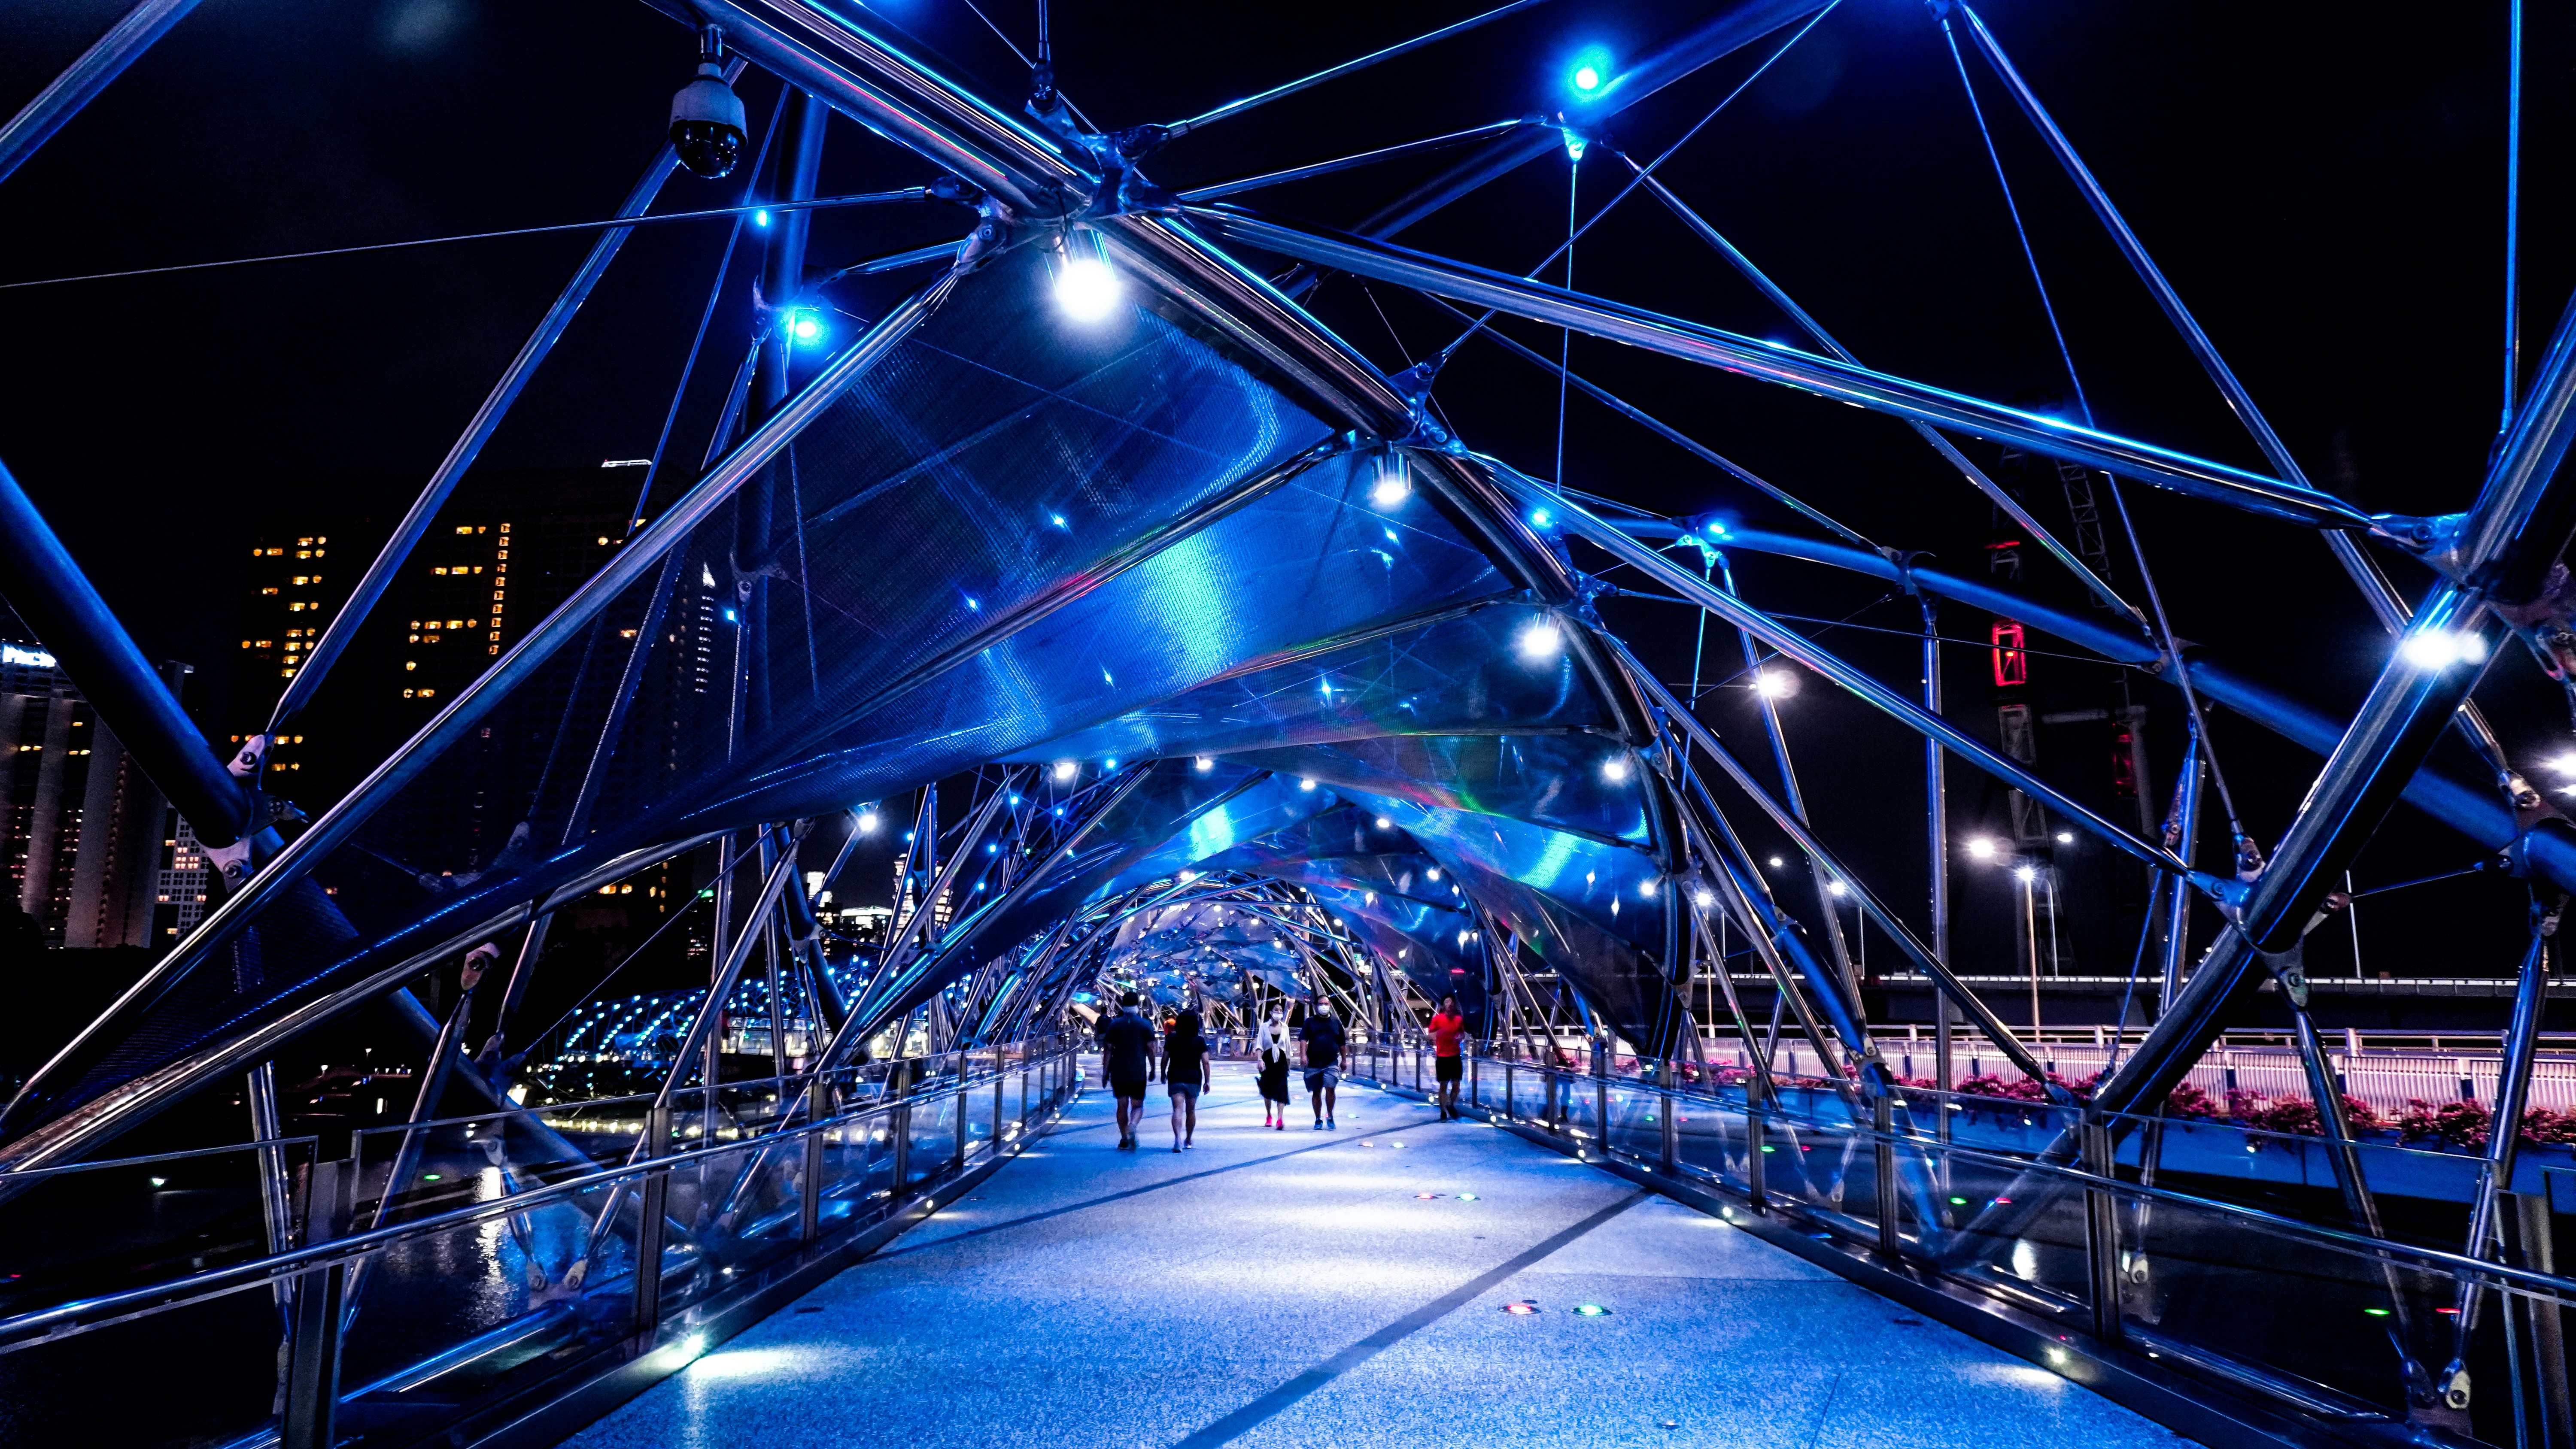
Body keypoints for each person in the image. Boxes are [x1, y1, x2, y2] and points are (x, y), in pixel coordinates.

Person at [1098, 991, 1158, 1151]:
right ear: (1138, 1005)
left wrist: (1105, 1072)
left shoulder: (1115, 1025)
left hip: (1119, 1072)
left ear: (1123, 1005)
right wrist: (1153, 1068)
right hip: (1138, 1071)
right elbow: (1151, 1049)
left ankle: (1124, 1138)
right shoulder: (1145, 1025)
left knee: (1122, 1105)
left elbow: (1108, 1049)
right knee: (1137, 1106)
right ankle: (1133, 1125)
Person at [1164, 1007, 1212, 1151]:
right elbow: (1206, 1062)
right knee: (1191, 1111)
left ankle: (1178, 1139)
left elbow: (1165, 1058)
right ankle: (1189, 1140)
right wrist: (1207, 1081)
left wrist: (1162, 1073)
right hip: (1193, 1079)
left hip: (1176, 1077)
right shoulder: (1199, 1041)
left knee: (1177, 1110)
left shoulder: (1172, 1039)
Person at [1300, 998, 1346, 1129]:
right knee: (1317, 1092)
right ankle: (1318, 1119)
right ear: (1316, 1006)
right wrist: (1303, 1055)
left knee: (1330, 1087)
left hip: (1331, 1062)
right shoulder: (1310, 1022)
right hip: (1314, 1063)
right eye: (1321, 1004)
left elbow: (1342, 1043)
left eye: (1326, 1004)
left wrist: (1344, 1060)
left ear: (1330, 1006)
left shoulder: (1336, 1022)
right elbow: (1303, 1039)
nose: (1324, 1006)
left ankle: (1330, 1115)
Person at [1427, 994, 1468, 1120]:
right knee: (1443, 1085)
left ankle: (1450, 1104)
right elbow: (1430, 1036)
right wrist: (1440, 1033)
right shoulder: (1437, 1019)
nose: (1449, 1004)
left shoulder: (1459, 1020)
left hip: (1455, 1057)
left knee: (1457, 1085)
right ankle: (1443, 1111)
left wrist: (1460, 1037)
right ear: (1443, 1006)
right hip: (1442, 1057)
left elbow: (1462, 1034)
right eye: (1447, 1002)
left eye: (1451, 1002)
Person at [1253, 1007, 1293, 1129]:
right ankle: (1269, 1115)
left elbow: (1288, 1048)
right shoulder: (1264, 1027)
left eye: (1281, 1010)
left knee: (1282, 1089)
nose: (1279, 1012)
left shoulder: (1285, 1028)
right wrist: (1260, 1059)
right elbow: (1259, 1045)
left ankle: (1280, 1119)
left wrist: (1289, 1066)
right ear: (1271, 1012)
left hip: (1281, 1062)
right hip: (1267, 1061)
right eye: (1276, 1010)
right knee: (1267, 1089)